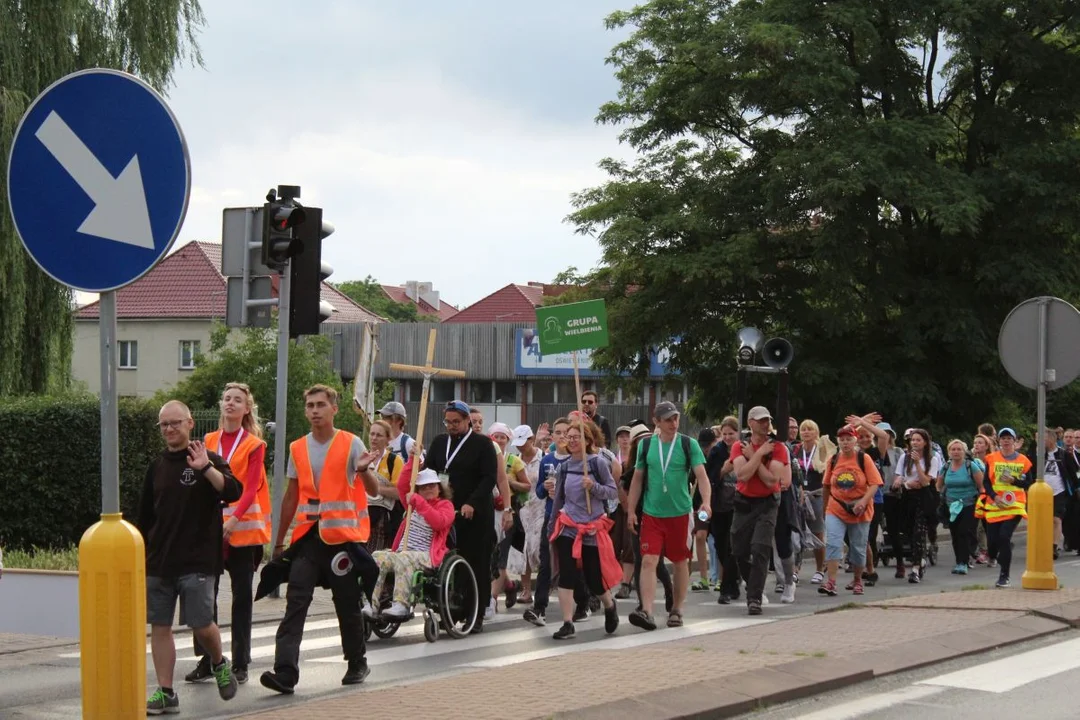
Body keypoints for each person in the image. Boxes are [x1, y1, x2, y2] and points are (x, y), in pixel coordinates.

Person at [260, 385, 382, 694]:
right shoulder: (298, 448)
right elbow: (291, 496)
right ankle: (285, 673)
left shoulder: (350, 443)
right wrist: (278, 542)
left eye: (320, 405)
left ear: (333, 409)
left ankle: (356, 662)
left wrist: (365, 471)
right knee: (296, 601)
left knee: (345, 602)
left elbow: (374, 491)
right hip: (308, 539)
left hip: (341, 539)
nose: (314, 410)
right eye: (310, 405)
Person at [138, 400, 242, 714]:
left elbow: (233, 491)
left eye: (175, 423)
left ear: (190, 423)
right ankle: (166, 692)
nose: (169, 429)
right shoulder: (156, 467)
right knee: (159, 626)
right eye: (164, 425)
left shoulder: (207, 459)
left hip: (198, 560)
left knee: (200, 624)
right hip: (160, 562)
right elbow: (144, 517)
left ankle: (219, 662)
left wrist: (206, 469)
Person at [185, 383, 270, 687]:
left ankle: (241, 662)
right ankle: (209, 659)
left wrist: (233, 520)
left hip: (242, 531)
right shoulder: (207, 440)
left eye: (238, 400)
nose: (230, 404)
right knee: (204, 597)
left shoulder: (254, 445)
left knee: (241, 597)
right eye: (226, 399)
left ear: (247, 409)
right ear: (220, 405)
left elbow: (251, 489)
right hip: (209, 529)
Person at [404, 400, 502, 633]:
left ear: (468, 420)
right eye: (448, 422)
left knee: (476, 563)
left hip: (475, 513)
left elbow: (489, 478)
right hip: (446, 512)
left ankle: (475, 614)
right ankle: (451, 609)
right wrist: (415, 462)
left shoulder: (482, 444)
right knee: (447, 562)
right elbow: (430, 474)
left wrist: (472, 503)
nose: (451, 426)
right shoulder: (440, 442)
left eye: (456, 422)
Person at [626, 401, 711, 631]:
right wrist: (631, 510)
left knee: (680, 562)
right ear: (656, 422)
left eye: (675, 418)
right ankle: (646, 610)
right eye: (668, 420)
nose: (673, 423)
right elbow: (637, 479)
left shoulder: (687, 444)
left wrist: (706, 501)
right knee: (649, 560)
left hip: (680, 514)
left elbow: (702, 476)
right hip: (652, 514)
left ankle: (677, 609)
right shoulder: (645, 446)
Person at [548, 422, 621, 639]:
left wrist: (594, 487)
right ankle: (567, 623)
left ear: (588, 440)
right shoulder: (565, 467)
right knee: (567, 575)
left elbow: (612, 492)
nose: (571, 440)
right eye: (568, 437)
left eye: (576, 437)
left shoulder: (597, 464)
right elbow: (559, 498)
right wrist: (551, 527)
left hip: (591, 528)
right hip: (568, 525)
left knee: (593, 578)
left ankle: (609, 604)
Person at [364, 469, 456, 619]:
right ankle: (371, 603)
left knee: (404, 558)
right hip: (403, 551)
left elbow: (439, 523)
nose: (428, 489)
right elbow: (402, 485)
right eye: (423, 487)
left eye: (432, 485)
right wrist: (413, 458)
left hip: (427, 555)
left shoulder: (445, 505)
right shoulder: (412, 507)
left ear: (439, 488)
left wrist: (420, 503)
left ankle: (401, 605)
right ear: (418, 490)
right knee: (376, 556)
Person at [730, 406, 791, 616]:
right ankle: (753, 583)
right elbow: (742, 475)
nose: (765, 424)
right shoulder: (739, 446)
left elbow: (771, 480)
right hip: (744, 502)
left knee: (760, 548)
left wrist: (754, 456)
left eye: (767, 420)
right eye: (760, 420)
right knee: (738, 550)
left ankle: (754, 598)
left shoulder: (778, 447)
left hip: (767, 503)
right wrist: (758, 455)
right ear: (751, 423)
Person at [817, 425, 883, 597]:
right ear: (838, 442)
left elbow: (875, 483)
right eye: (842, 440)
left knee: (858, 547)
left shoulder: (864, 458)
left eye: (848, 439)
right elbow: (826, 486)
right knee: (833, 543)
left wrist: (863, 501)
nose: (845, 443)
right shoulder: (833, 459)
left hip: (860, 509)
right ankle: (831, 582)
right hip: (837, 507)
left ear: (855, 441)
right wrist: (825, 509)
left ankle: (858, 579)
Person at [979, 427, 1033, 588]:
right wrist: (994, 496)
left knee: (1004, 536)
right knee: (992, 543)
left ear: (1014, 441)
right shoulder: (991, 458)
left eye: (1009, 438)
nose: (1006, 441)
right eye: (1003, 438)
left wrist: (1014, 481)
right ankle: (996, 553)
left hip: (1014, 505)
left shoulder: (1024, 460)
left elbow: (1029, 483)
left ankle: (1004, 576)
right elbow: (987, 482)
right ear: (999, 441)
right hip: (995, 504)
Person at [937, 439, 984, 574]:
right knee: (955, 534)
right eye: (953, 449)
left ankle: (963, 562)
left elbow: (981, 487)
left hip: (969, 504)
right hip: (950, 506)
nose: (956, 452)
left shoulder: (971, 466)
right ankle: (959, 561)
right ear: (949, 452)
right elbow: (939, 485)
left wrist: (982, 503)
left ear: (964, 452)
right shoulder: (946, 467)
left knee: (963, 532)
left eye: (959, 449)